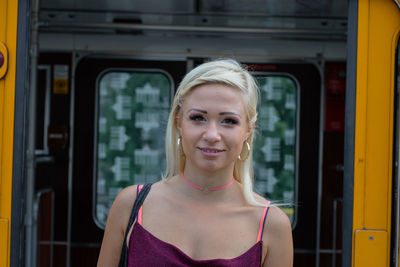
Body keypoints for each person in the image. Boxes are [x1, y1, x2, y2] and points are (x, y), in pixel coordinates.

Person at [97, 59, 293, 267]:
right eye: (198, 118)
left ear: (248, 130)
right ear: (178, 122)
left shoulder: (272, 224)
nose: (211, 135)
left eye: (229, 121)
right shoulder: (131, 206)